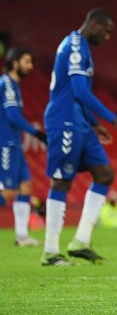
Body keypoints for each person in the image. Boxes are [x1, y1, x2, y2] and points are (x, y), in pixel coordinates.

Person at [42, 9, 117, 266]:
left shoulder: (82, 47)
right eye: (106, 31)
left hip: (80, 122)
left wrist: (93, 123)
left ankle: (80, 242)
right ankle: (50, 252)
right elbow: (80, 91)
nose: (107, 37)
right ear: (94, 24)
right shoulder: (74, 45)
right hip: (63, 120)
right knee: (61, 181)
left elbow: (78, 95)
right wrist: (114, 120)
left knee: (104, 174)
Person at [1, 46, 47, 246]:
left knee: (25, 186)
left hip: (14, 144)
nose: (31, 66)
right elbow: (13, 117)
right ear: (14, 63)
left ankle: (21, 236)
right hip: (5, 144)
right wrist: (37, 134)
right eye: (27, 61)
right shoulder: (7, 84)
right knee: (8, 192)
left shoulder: (14, 85)